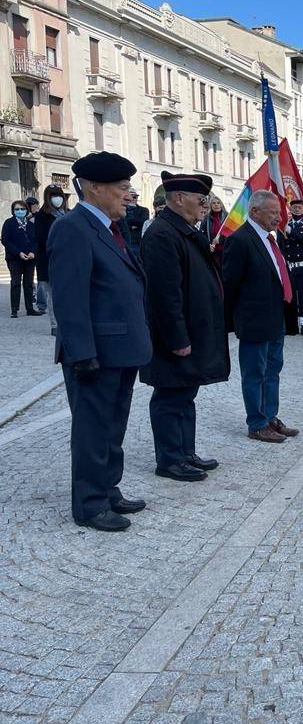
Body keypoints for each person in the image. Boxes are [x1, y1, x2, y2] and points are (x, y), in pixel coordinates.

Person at [48, 151, 152, 531]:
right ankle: (90, 504)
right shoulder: (73, 228)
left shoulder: (109, 227)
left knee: (113, 426)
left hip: (120, 350)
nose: (129, 195)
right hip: (96, 353)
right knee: (93, 429)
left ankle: (108, 489)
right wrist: (81, 353)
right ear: (94, 188)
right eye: (123, 188)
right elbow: (70, 298)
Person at [140, 171, 229, 483]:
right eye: (200, 199)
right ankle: (170, 459)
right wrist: (177, 338)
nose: (204, 205)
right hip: (175, 337)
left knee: (185, 393)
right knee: (170, 396)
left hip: (192, 331)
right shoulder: (163, 234)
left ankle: (185, 452)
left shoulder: (185, 231)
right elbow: (165, 294)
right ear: (178, 199)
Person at [222, 189, 299, 443]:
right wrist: (233, 321)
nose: (279, 217)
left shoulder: (272, 238)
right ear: (254, 212)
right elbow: (230, 285)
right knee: (255, 373)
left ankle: (269, 417)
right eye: (273, 212)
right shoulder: (240, 240)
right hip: (254, 320)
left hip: (276, 317)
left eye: (279, 212)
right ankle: (256, 423)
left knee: (273, 369)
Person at [278, 198, 303, 337]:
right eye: (294, 207)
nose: (296, 209)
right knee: (289, 296)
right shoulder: (283, 226)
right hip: (288, 267)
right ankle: (291, 325)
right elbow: (281, 246)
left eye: (299, 207)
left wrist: (290, 231)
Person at [33, 184, 68, 330]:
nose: (57, 198)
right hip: (49, 261)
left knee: (67, 294)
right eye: (53, 195)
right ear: (47, 197)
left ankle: (68, 322)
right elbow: (42, 239)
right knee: (53, 295)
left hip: (68, 261)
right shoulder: (42, 216)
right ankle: (55, 324)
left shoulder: (69, 214)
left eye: (59, 195)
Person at [3, 201, 40, 318]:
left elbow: (36, 240)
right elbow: (5, 240)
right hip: (14, 258)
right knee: (15, 283)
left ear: (26, 210)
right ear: (13, 211)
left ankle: (30, 309)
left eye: (22, 209)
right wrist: (18, 252)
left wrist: (33, 252)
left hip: (29, 258)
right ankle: (15, 310)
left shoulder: (30, 225)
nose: (20, 211)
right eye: (17, 209)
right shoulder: (9, 223)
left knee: (28, 283)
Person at [119, 186, 149, 257]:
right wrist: (132, 225)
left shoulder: (143, 210)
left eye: (135, 197)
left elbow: (143, 221)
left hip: (137, 243)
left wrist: (128, 223)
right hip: (123, 242)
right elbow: (121, 222)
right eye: (132, 196)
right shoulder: (121, 209)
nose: (132, 199)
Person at [199, 194, 227, 272]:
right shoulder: (206, 219)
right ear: (210, 205)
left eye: (218, 203)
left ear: (221, 204)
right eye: (214, 203)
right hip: (213, 253)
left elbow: (232, 234)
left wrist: (220, 240)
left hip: (226, 252)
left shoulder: (227, 217)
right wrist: (207, 245)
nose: (216, 205)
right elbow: (201, 234)